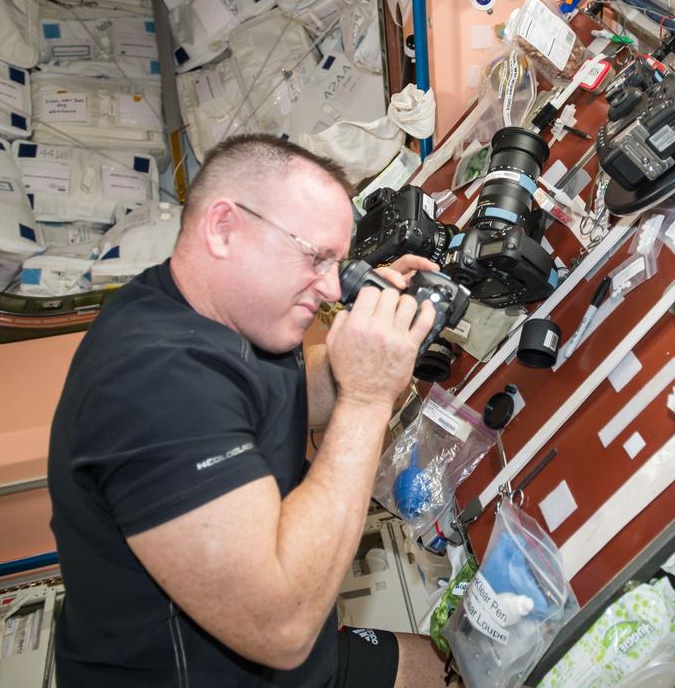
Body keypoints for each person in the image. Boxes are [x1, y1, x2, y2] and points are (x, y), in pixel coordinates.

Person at [47, 134, 448, 687]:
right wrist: (367, 397)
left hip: (288, 632)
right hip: (234, 658)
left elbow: (285, 393)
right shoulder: (151, 387)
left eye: (339, 263)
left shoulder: (210, 306)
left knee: (441, 666)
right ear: (223, 227)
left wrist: (376, 336)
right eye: (317, 257)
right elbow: (282, 627)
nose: (333, 287)